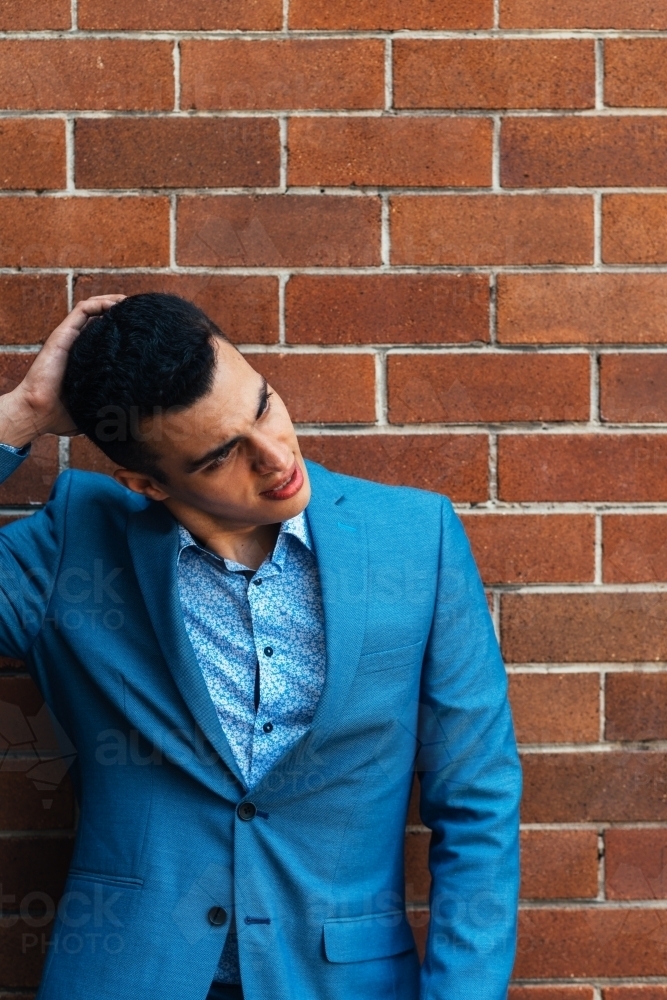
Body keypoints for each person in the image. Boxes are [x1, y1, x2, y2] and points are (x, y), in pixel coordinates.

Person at [0, 293, 521, 1000]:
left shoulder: (413, 537)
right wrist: (24, 410)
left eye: (264, 405)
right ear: (145, 483)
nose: (276, 458)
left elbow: (477, 799)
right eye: (222, 456)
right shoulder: (72, 547)